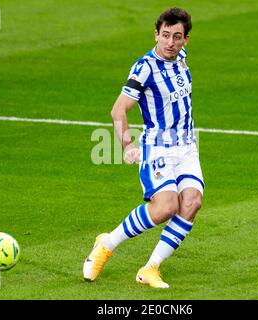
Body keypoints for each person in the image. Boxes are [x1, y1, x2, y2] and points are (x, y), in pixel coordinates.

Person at [83, 7, 204, 288]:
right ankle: (106, 244)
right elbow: (118, 110)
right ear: (156, 34)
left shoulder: (182, 58)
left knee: (192, 203)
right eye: (165, 35)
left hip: (187, 148)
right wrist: (126, 145)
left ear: (186, 39)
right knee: (165, 207)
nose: (170, 42)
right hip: (158, 149)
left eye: (177, 37)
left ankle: (150, 268)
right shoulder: (145, 68)